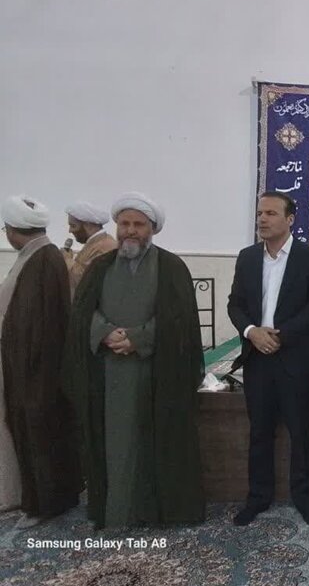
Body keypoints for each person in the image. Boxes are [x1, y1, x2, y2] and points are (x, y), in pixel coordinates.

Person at [65, 192, 205, 528]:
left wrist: (138, 339)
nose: (130, 230)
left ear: (152, 229)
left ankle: (151, 512)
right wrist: (105, 333)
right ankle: (116, 512)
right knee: (114, 445)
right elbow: (83, 313)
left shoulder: (171, 267)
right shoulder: (100, 267)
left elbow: (179, 319)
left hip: (157, 372)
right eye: (125, 223)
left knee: (151, 443)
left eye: (138, 224)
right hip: (107, 372)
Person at [228, 191, 309, 526]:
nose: (262, 219)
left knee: (301, 431)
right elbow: (235, 304)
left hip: (294, 358)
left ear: (290, 219)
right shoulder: (247, 258)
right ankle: (258, 497)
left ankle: (304, 498)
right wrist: (251, 332)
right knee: (259, 431)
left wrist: (279, 336)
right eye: (260, 213)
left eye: (271, 213)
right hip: (256, 357)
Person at [0, 196, 82, 528]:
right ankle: (39, 500)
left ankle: (44, 506)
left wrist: (33, 377)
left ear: (12, 230)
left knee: (40, 437)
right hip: (27, 369)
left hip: (37, 375)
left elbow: (43, 326)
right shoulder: (35, 257)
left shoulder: (44, 261)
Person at [63, 201, 117, 297]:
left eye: (73, 226)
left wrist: (67, 259)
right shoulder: (96, 243)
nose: (70, 230)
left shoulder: (104, 247)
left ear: (88, 225)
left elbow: (84, 280)